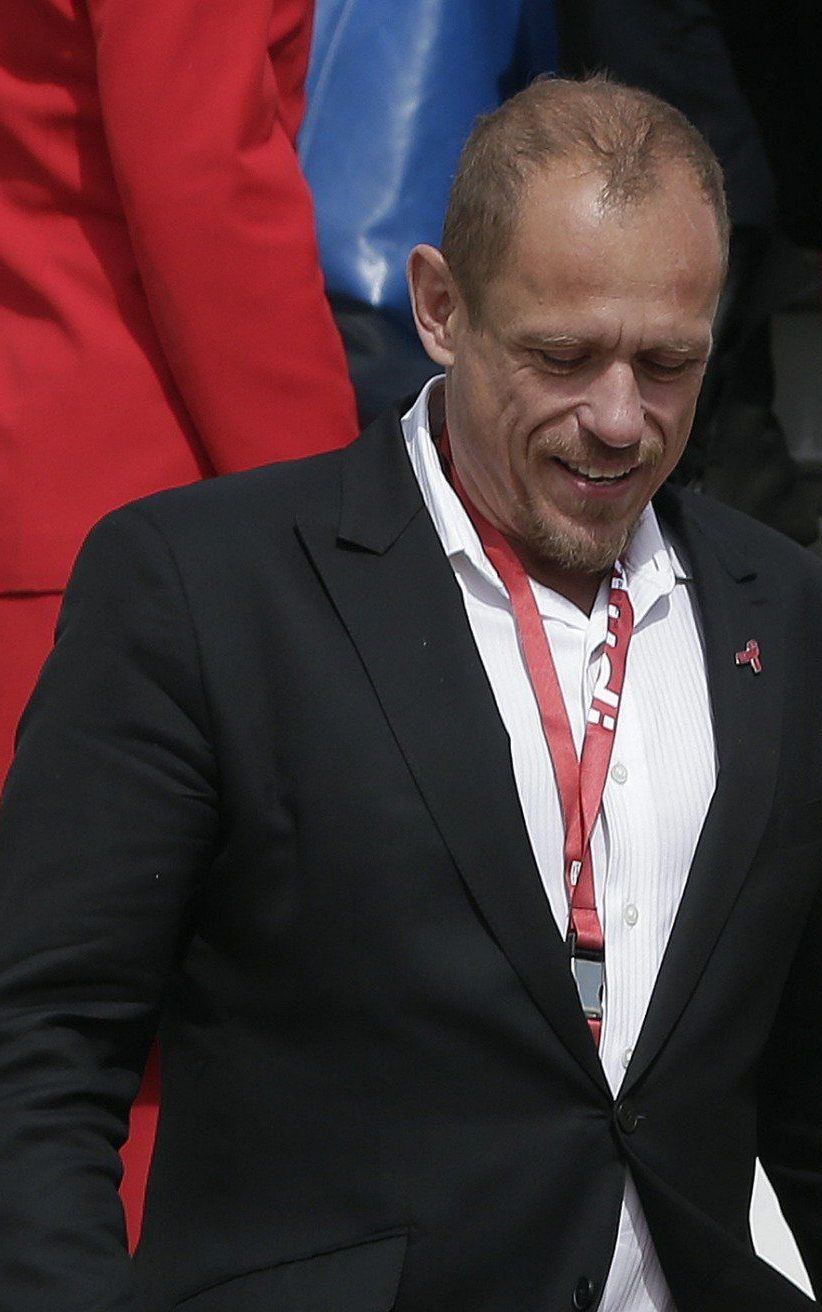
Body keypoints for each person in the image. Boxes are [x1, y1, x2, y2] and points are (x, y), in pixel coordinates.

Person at [0, 77, 822, 1312]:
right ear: (439, 306)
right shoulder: (203, 586)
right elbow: (38, 1047)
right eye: (562, 355)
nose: (618, 419)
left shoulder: (792, 621)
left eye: (668, 364)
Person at [0, 0, 359, 1245]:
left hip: (56, 493)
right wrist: (342, 539)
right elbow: (206, 184)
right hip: (123, 516)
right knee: (120, 1060)